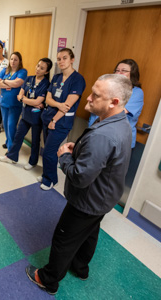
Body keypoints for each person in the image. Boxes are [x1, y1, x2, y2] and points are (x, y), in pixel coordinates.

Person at [26, 74, 133, 295]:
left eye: (96, 95)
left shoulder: (103, 135)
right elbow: (103, 159)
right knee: (90, 232)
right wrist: (82, 150)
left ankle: (48, 279)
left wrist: (64, 156)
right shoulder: (122, 121)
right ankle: (80, 268)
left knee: (63, 239)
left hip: (87, 200)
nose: (88, 98)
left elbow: (80, 177)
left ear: (114, 102)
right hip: (104, 199)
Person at [39, 48, 86, 190]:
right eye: (59, 59)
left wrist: (54, 120)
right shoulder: (56, 77)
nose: (61, 61)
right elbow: (48, 98)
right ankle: (48, 175)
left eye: (65, 58)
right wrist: (58, 104)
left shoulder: (78, 80)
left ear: (72, 59)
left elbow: (68, 106)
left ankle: (50, 180)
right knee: (48, 150)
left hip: (60, 122)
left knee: (48, 152)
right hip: (48, 118)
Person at [0, 58, 52, 168]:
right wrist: (29, 101)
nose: (38, 69)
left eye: (42, 68)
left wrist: (28, 100)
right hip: (26, 114)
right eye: (38, 66)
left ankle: (32, 162)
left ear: (46, 72)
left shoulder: (46, 84)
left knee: (35, 141)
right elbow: (19, 96)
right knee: (18, 136)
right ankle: (12, 157)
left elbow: (38, 102)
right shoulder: (29, 78)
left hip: (37, 117)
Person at [88, 59, 143, 149]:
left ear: (132, 74)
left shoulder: (137, 93)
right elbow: (92, 105)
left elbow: (116, 111)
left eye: (124, 71)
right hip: (95, 132)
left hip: (117, 139)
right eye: (117, 70)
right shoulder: (108, 88)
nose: (119, 73)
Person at [0, 52, 27, 150]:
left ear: (19, 61)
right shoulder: (5, 70)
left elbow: (18, 83)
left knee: (11, 126)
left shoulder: (22, 71)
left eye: (16, 59)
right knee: (5, 124)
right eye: (12, 59)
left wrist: (4, 82)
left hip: (14, 104)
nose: (13, 61)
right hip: (4, 102)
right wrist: (10, 84)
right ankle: (8, 141)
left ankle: (11, 149)